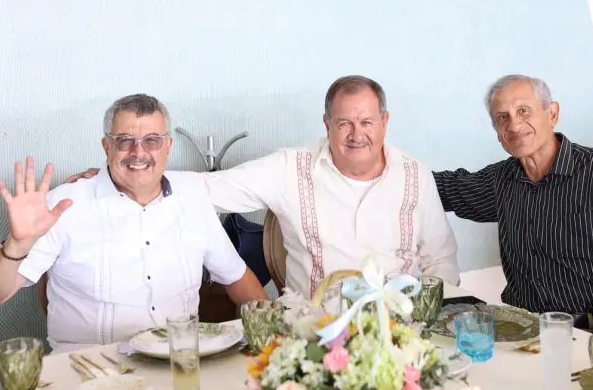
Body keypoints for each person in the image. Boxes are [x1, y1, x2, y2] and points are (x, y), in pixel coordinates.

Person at [69, 76, 460, 298]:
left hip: (398, 331)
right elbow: (209, 188)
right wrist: (122, 174)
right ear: (327, 124)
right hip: (313, 333)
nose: (356, 134)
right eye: (344, 123)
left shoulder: (415, 175)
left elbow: (441, 259)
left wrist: (426, 317)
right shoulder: (291, 168)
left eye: (367, 122)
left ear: (385, 122)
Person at [0, 94, 267, 352]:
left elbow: (237, 279)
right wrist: (17, 245)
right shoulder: (64, 205)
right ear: (106, 146)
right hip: (88, 368)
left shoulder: (193, 197)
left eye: (152, 140)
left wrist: (277, 340)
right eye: (124, 140)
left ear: (168, 145)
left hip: (176, 361)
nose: (139, 152)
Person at [433, 74, 593, 335]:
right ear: (497, 132)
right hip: (522, 333)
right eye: (502, 117)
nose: (514, 125)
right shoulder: (501, 180)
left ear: (552, 113)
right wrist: (393, 166)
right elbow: (441, 188)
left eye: (523, 111)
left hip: (589, 332)